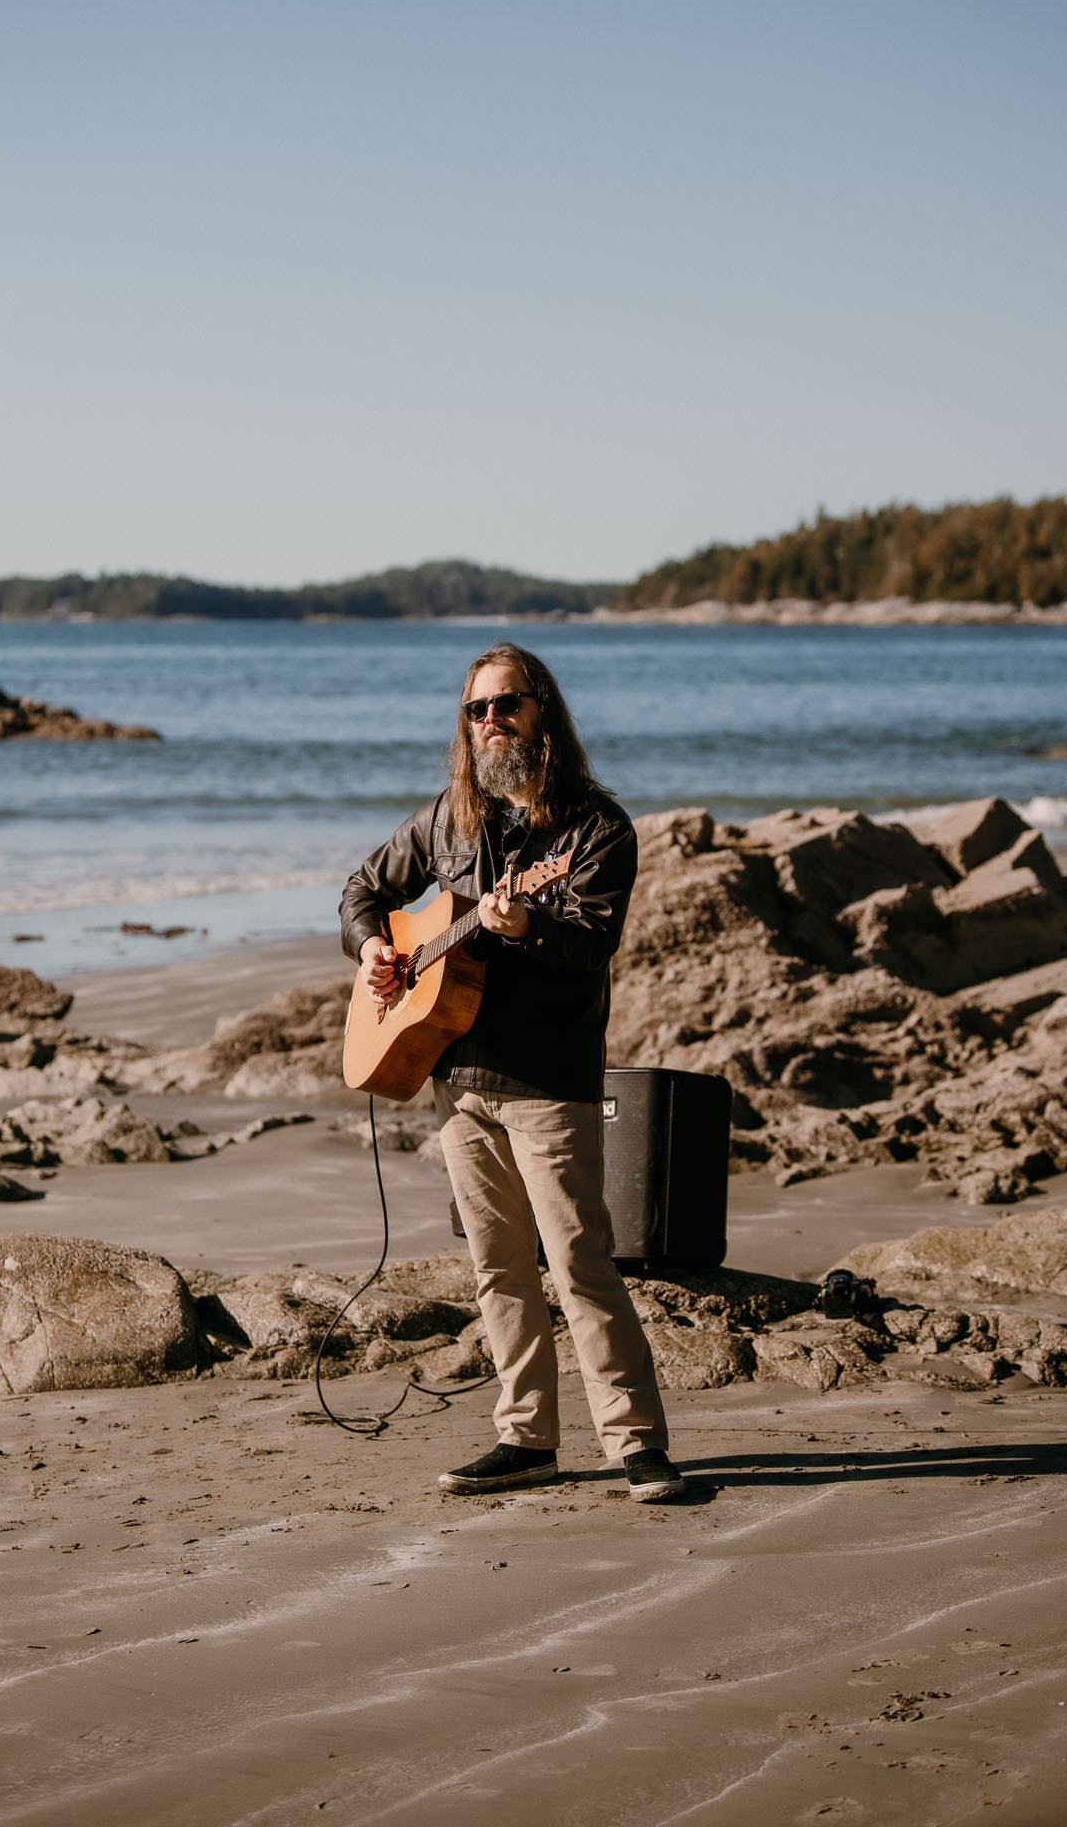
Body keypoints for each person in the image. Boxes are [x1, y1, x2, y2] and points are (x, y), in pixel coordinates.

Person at [339, 642, 683, 1503]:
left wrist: (527, 924)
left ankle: (635, 1444)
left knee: (581, 1264)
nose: (491, 722)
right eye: (476, 711)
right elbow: (361, 889)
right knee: (497, 1268)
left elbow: (591, 944)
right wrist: (379, 949)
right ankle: (526, 1438)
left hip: (548, 1080)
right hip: (458, 1077)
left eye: (506, 705)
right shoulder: (450, 820)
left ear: (543, 711)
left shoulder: (596, 829)